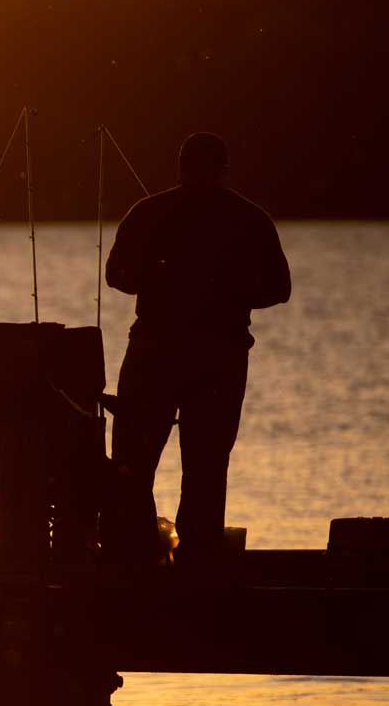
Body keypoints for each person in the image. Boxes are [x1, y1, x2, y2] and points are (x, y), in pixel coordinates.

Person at [102, 132, 289, 564]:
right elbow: (280, 289)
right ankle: (198, 564)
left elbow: (117, 276)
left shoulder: (147, 212)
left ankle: (133, 559)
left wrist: (161, 280)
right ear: (223, 169)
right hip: (219, 357)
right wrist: (229, 294)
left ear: (181, 167)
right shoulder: (250, 218)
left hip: (155, 354)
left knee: (134, 462)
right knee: (206, 466)